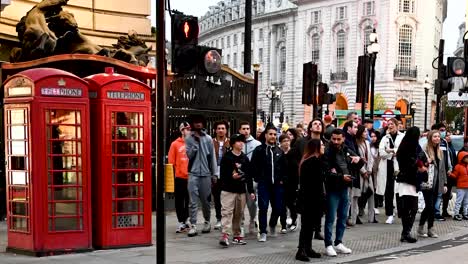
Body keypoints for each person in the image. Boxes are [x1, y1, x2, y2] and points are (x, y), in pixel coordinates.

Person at [323, 129, 363, 257]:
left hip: (344, 187)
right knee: (330, 218)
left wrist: (358, 160)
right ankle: (328, 244)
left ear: (343, 138)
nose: (335, 141)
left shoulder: (346, 149)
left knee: (343, 216)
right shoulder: (328, 152)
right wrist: (340, 177)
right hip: (332, 189)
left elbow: (359, 162)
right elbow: (327, 172)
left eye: (338, 139)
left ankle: (338, 242)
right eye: (333, 139)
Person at [251, 125, 287, 242]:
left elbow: (284, 167)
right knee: (263, 207)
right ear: (266, 135)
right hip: (264, 184)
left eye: (274, 134)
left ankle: (272, 224)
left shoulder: (279, 151)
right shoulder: (259, 150)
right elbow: (254, 165)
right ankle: (263, 232)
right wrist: (257, 178)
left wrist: (282, 180)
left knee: (277, 207)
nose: (272, 136)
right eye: (270, 134)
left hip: (277, 185)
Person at [219, 134, 256, 247]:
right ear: (233, 144)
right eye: (239, 141)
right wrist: (231, 177)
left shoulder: (245, 158)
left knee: (239, 214)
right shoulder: (227, 157)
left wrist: (251, 191)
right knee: (227, 212)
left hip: (241, 190)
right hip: (228, 190)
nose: (241, 143)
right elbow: (223, 175)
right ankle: (225, 235)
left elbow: (249, 176)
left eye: (242, 141)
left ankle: (237, 235)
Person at [185, 115, 218, 237]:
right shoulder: (189, 138)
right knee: (192, 201)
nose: (198, 124)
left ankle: (207, 221)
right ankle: (193, 225)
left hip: (205, 174)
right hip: (193, 174)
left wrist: (214, 174)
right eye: (196, 122)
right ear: (193, 124)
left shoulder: (208, 139)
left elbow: (212, 157)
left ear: (203, 124)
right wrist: (195, 144)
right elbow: (189, 155)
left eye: (200, 122)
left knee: (206, 201)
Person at [295, 139, 325, 261]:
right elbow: (311, 184)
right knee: (306, 226)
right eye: (322, 145)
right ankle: (301, 250)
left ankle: (308, 248)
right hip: (309, 199)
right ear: (316, 147)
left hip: (313, 198)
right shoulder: (311, 162)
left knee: (310, 225)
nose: (324, 147)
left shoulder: (315, 161)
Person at [417, 130, 448, 238]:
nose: (437, 138)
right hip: (427, 182)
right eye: (435, 136)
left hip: (437, 182)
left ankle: (427, 228)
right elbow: (419, 164)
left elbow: (443, 169)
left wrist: (445, 183)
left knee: (431, 206)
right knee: (430, 206)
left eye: (438, 136)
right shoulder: (425, 150)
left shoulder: (440, 151)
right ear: (430, 138)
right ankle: (426, 228)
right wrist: (426, 162)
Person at [395, 127, 423, 243]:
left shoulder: (410, 146)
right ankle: (406, 232)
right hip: (407, 180)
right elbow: (411, 162)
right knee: (410, 208)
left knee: (410, 208)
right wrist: (419, 164)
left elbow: (422, 157)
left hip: (410, 180)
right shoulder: (407, 148)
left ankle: (405, 232)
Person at [376, 118, 404, 224]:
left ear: (396, 125)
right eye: (388, 124)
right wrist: (393, 152)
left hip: (399, 166)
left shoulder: (402, 137)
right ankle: (389, 214)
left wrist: (391, 150)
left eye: (392, 124)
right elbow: (382, 152)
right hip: (387, 166)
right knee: (388, 191)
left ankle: (401, 212)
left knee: (399, 190)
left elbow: (402, 150)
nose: (390, 126)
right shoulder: (385, 138)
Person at [168, 122, 191, 233]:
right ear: (182, 130)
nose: (188, 131)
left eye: (189, 129)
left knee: (189, 200)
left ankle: (187, 219)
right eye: (186, 129)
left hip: (191, 176)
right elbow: (171, 162)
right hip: (179, 176)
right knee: (179, 200)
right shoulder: (175, 144)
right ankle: (181, 221)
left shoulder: (193, 143)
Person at [239, 121, 261, 234]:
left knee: (252, 202)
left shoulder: (257, 144)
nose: (246, 131)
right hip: (239, 178)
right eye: (243, 128)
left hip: (252, 179)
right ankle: (241, 224)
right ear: (239, 130)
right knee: (240, 203)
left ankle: (252, 219)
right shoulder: (236, 143)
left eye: (247, 128)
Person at [431, 123, 453, 220]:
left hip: (443, 170)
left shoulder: (444, 142)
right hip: (434, 171)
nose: (443, 132)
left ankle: (436, 212)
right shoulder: (431, 143)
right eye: (441, 130)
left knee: (440, 193)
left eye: (444, 130)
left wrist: (449, 167)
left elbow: (447, 156)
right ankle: (432, 211)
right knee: (433, 192)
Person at [212, 120, 230, 230]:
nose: (221, 130)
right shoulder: (211, 142)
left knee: (227, 198)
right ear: (215, 130)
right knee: (217, 197)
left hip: (226, 174)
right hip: (215, 173)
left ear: (226, 130)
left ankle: (226, 218)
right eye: (219, 128)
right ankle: (219, 218)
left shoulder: (230, 142)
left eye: (223, 128)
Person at [356, 125, 376, 224]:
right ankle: (357, 214)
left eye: (366, 131)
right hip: (360, 172)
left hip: (368, 171)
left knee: (371, 191)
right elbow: (358, 157)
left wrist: (369, 170)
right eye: (364, 132)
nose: (366, 133)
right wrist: (363, 171)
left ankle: (372, 217)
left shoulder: (367, 143)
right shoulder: (356, 143)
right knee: (359, 193)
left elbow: (371, 158)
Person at [279, 133, 299, 232]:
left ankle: (294, 220)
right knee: (282, 204)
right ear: (280, 143)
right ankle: (283, 224)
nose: (286, 143)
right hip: (281, 182)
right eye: (284, 141)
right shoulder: (278, 153)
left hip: (292, 182)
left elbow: (297, 168)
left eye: (288, 141)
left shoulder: (294, 152)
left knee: (291, 203)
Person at [449, 151, 468, 221]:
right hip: (461, 187)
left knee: (466, 201)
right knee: (459, 201)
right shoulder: (458, 166)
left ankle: (465, 213)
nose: (467, 159)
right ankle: (456, 214)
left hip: (467, 187)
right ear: (462, 158)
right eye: (466, 157)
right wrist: (450, 174)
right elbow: (455, 175)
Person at [370, 130, 383, 214]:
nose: (373, 138)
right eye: (371, 136)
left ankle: (377, 204)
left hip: (379, 170)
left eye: (374, 136)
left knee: (378, 187)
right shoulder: (369, 145)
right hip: (371, 170)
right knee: (372, 188)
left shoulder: (380, 146)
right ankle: (374, 206)